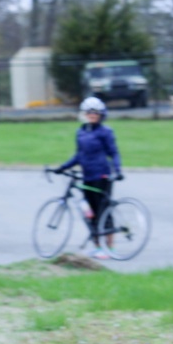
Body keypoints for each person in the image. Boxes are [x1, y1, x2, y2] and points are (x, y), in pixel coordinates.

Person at [54, 96, 124, 259]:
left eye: (96, 113)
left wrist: (118, 170)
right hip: (87, 177)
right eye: (89, 112)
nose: (92, 115)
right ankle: (98, 246)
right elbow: (79, 155)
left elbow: (113, 152)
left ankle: (110, 247)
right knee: (89, 212)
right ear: (84, 114)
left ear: (101, 114)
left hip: (102, 176)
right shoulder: (81, 132)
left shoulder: (105, 132)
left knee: (103, 211)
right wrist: (62, 167)